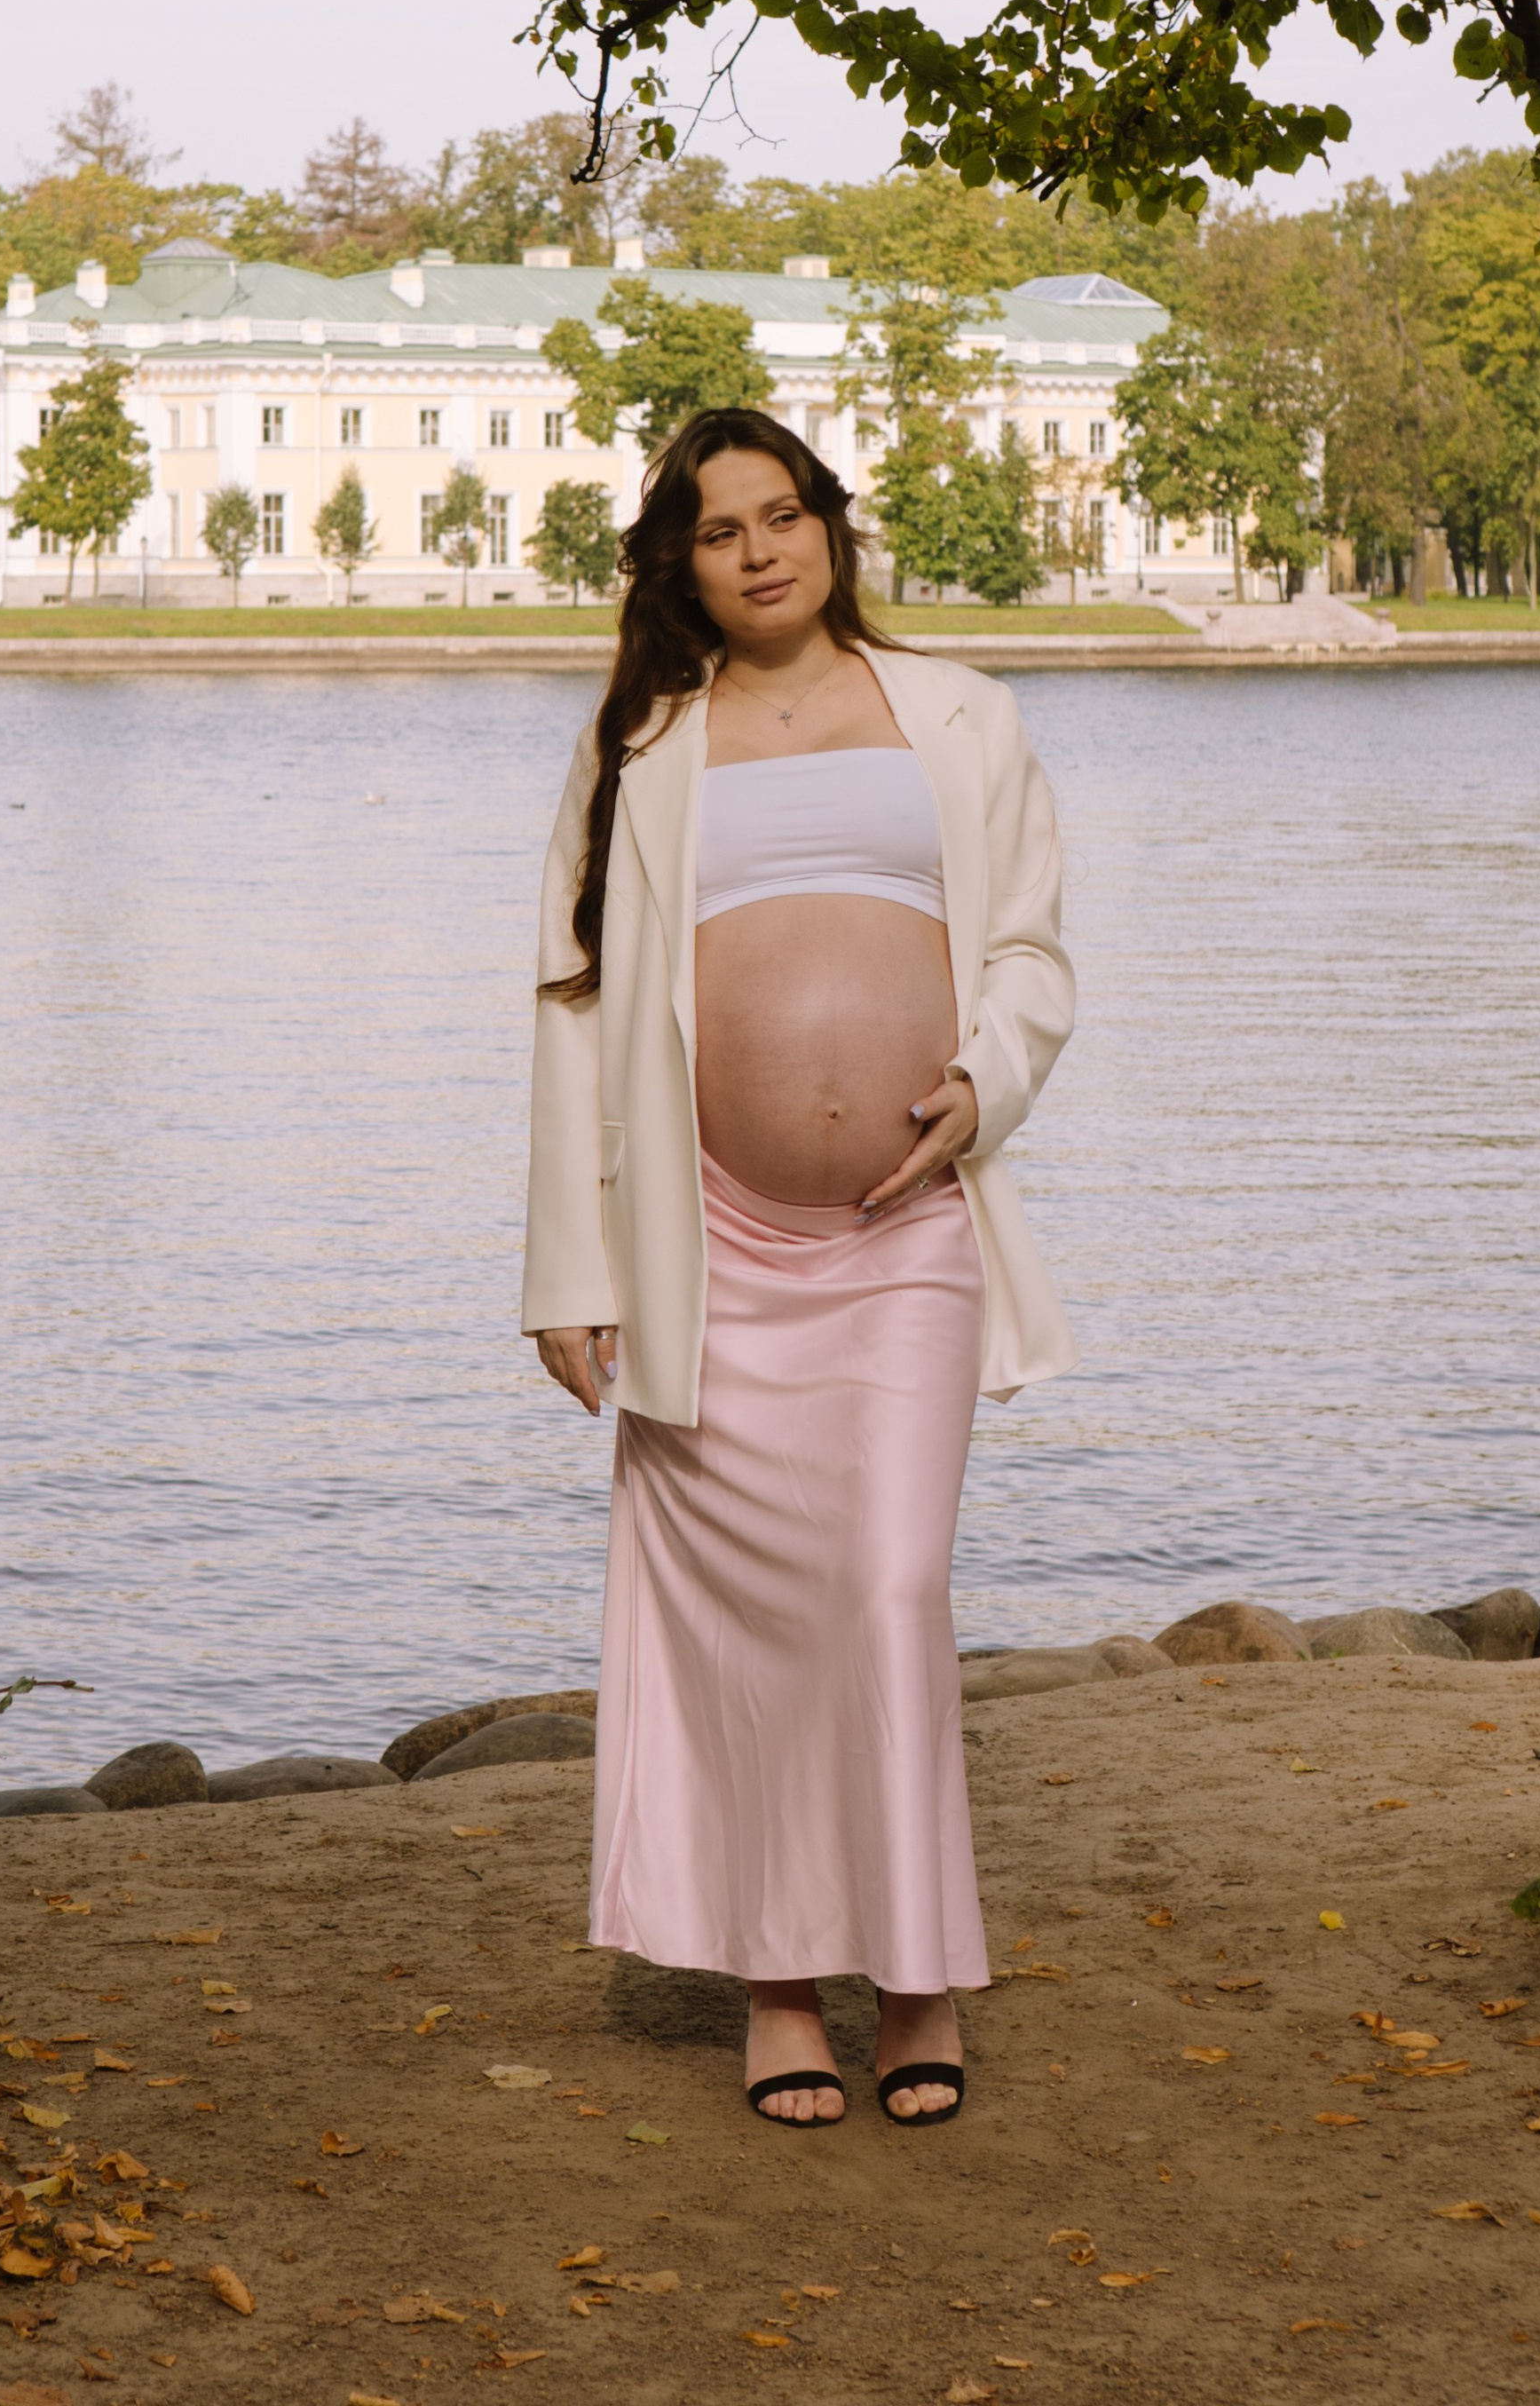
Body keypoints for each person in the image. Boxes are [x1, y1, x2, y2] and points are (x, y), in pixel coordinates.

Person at [524, 406, 1077, 2132]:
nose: (758, 552)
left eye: (782, 516)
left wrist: (984, 1082)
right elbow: (571, 1003)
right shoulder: (641, 743)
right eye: (718, 530)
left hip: (903, 1231)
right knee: (751, 1624)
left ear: (829, 526)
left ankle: (914, 1977)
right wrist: (570, 1265)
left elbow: (1029, 953)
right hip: (708, 1243)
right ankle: (778, 1985)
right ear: (677, 566)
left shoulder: (958, 716)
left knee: (890, 1587)